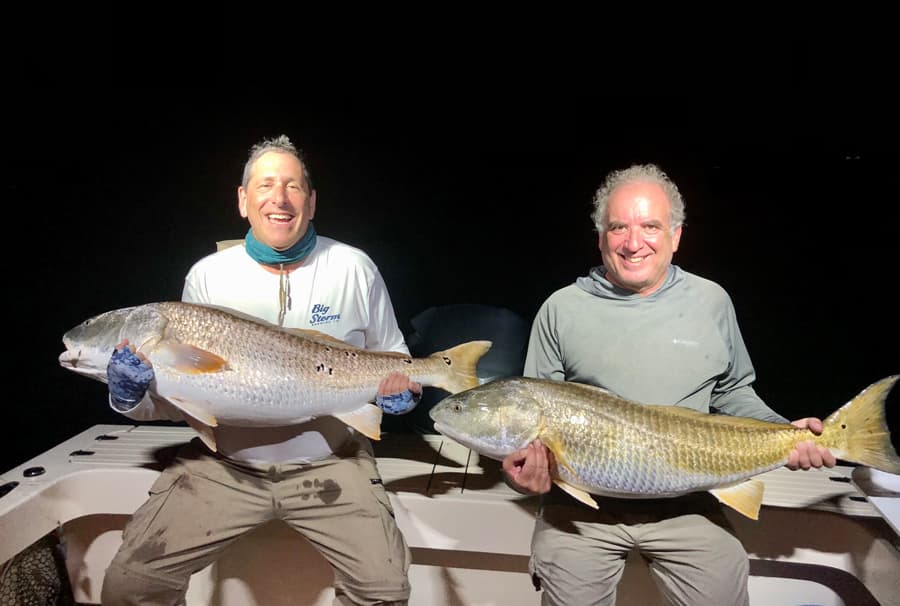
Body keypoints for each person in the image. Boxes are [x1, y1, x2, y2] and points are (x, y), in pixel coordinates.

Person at [101, 135, 420, 606]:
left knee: (384, 589)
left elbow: (394, 354)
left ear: (311, 203)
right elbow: (183, 394)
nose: (280, 197)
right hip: (225, 466)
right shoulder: (208, 275)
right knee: (130, 585)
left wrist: (405, 393)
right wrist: (132, 396)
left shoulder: (353, 267)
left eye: (293, 186)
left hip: (331, 462)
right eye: (266, 184)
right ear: (243, 200)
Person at [501, 163, 836, 606]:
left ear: (675, 236)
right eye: (618, 226)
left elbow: (733, 391)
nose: (633, 242)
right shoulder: (561, 309)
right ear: (600, 237)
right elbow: (535, 415)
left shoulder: (711, 301)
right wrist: (523, 473)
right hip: (579, 511)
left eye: (650, 226)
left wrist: (785, 433)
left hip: (689, 501)